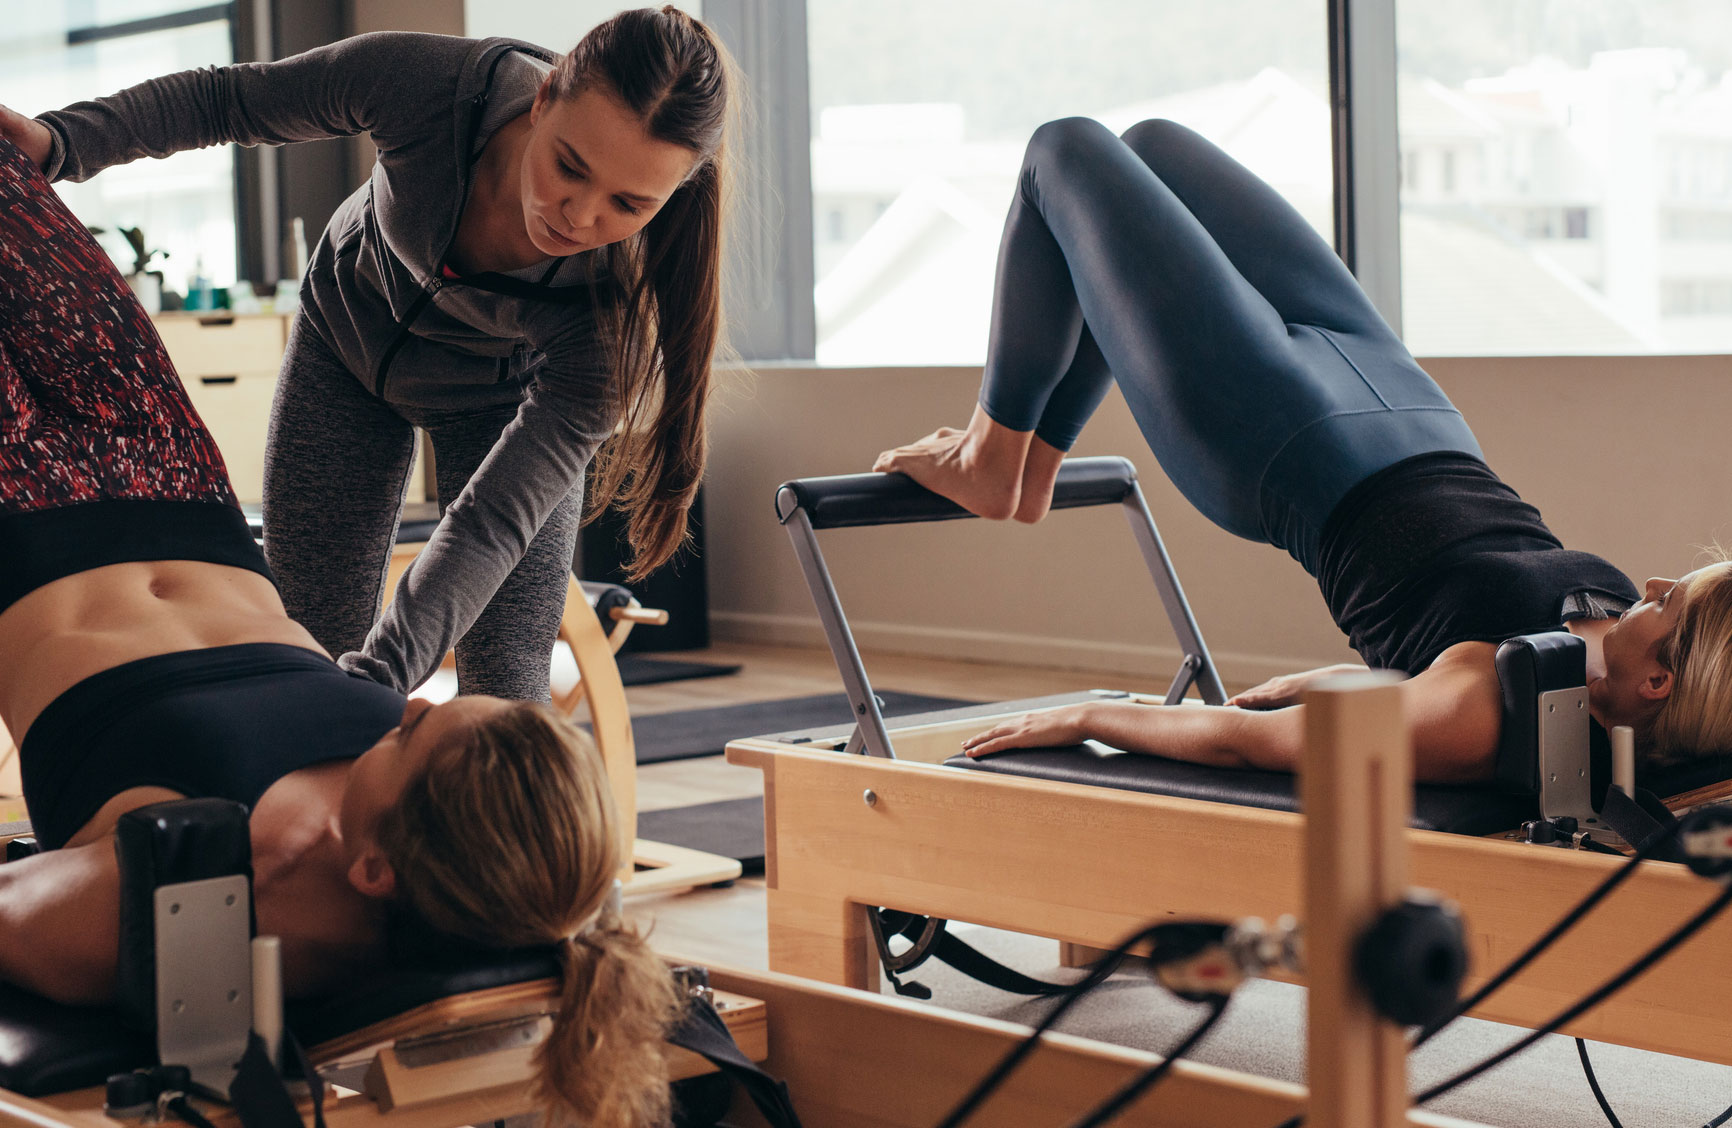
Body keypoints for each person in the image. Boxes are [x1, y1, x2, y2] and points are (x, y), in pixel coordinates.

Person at [0, 138, 678, 1128]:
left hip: (18, 533)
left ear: (373, 870)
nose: (402, 702)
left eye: (407, 734)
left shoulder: (195, 897)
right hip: (183, 492)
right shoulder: (470, 838)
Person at [873, 117, 1732, 784]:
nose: (1653, 586)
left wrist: (1096, 714)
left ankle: (995, 460)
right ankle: (1028, 464)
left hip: (1282, 446)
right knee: (1155, 151)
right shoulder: (1606, 639)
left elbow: (1250, 743)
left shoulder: (1482, 711)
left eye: (1673, 606)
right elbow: (1439, 654)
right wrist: (1356, 680)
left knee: (1064, 152)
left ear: (1659, 683)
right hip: (1406, 404)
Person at [0, 5, 734, 704]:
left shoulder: (610, 316)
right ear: (543, 99)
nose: (579, 215)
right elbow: (230, 101)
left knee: (507, 689)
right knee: (305, 644)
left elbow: (488, 523)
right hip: (342, 352)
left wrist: (379, 679)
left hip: (500, 404)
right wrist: (64, 141)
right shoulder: (432, 87)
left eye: (629, 205)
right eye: (569, 166)